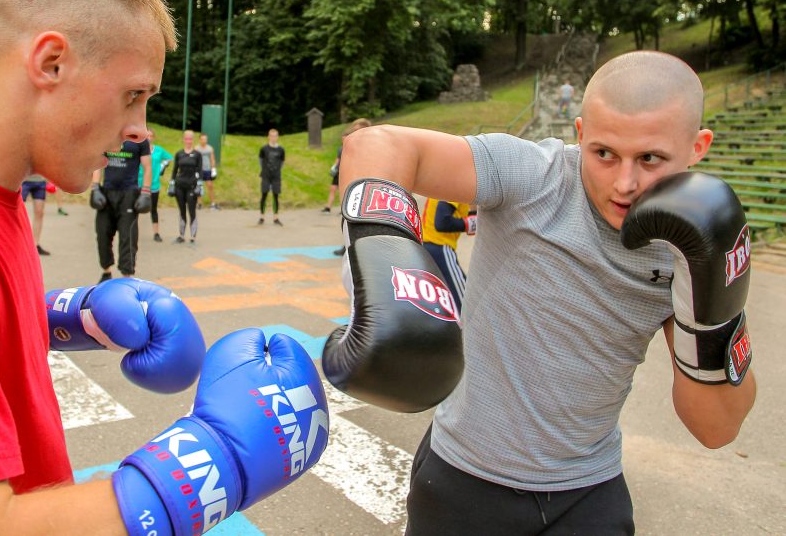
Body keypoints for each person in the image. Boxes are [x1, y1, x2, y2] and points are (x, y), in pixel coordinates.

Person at [0, 0, 328, 535]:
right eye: (133, 94)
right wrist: (216, 465)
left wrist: (69, 317)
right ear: (51, 63)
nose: (141, 131)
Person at [323, 51, 757, 534]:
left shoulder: (690, 244)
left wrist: (713, 315)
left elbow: (717, 429)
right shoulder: (534, 175)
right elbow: (375, 145)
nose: (625, 183)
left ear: (698, 146)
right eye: (604, 154)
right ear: (579, 134)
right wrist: (386, 267)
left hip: (590, 493)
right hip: (464, 478)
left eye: (650, 158)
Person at [91, 137, 152, 281]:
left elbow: (147, 167)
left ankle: (127, 276)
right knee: (102, 234)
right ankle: (106, 272)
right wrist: (95, 187)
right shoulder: (108, 133)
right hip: (107, 192)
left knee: (128, 237)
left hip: (129, 194)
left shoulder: (140, 140)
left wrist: (145, 191)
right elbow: (98, 163)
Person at [420, 198, 476, 315]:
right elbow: (442, 222)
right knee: (468, 305)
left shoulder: (443, 184)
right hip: (439, 247)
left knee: (445, 306)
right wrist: (470, 224)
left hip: (426, 247)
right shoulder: (457, 184)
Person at [330, 118, 372, 255]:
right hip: (353, 186)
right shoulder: (351, 148)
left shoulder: (372, 149)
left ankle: (360, 247)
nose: (354, 134)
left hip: (366, 187)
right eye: (353, 131)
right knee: (348, 217)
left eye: (357, 131)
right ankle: (347, 246)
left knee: (364, 220)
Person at [139, 129, 174, 241]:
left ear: (153, 138)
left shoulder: (158, 150)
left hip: (154, 185)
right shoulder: (139, 149)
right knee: (136, 208)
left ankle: (156, 233)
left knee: (153, 209)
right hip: (139, 183)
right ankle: (133, 231)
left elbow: (170, 158)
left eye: (150, 136)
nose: (148, 138)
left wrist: (164, 164)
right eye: (146, 136)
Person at [169, 129, 202, 243]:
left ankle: (193, 236)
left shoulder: (197, 155)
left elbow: (200, 171)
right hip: (179, 186)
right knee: (182, 210)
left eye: (190, 139)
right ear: (184, 139)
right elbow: (174, 170)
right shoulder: (179, 154)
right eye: (186, 139)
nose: (188, 141)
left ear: (193, 140)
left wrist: (200, 184)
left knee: (192, 210)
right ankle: (181, 235)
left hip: (191, 186)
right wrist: (171, 184)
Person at [258, 128, 285, 225]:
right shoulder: (264, 149)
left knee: (275, 196)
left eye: (275, 136)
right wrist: (264, 170)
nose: (273, 138)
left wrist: (277, 170)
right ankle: (262, 217)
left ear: (278, 137)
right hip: (266, 175)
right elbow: (260, 160)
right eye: (272, 136)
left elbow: (282, 162)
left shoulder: (281, 150)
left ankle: (276, 218)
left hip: (276, 176)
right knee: (264, 195)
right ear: (268, 137)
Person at [21, 172, 52, 255]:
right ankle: (18, 243)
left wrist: (51, 180)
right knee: (17, 212)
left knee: (39, 212)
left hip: (40, 181)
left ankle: (35, 245)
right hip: (24, 181)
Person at [196, 132, 219, 210]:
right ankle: (199, 203)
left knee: (210, 186)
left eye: (205, 139)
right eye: (202, 139)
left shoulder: (210, 148)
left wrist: (213, 169)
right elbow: (194, 160)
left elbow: (212, 159)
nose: (204, 141)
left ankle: (213, 203)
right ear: (200, 139)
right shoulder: (196, 148)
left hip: (208, 170)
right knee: (199, 186)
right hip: (199, 170)